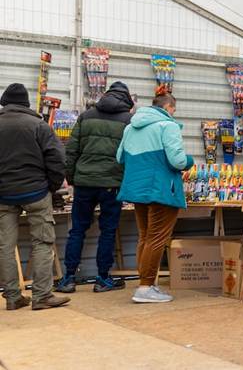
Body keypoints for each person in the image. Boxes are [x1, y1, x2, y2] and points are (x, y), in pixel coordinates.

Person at [116, 87, 193, 304]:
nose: (174, 113)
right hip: (161, 188)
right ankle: (145, 287)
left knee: (145, 236)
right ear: (168, 107)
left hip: (137, 189)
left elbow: (119, 157)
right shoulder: (167, 126)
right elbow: (177, 161)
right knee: (157, 238)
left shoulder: (130, 128)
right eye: (174, 109)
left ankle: (147, 283)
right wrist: (190, 161)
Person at [56, 82, 134, 294]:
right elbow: (131, 155)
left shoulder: (87, 116)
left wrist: (72, 178)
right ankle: (102, 279)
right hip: (111, 184)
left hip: (84, 182)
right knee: (107, 231)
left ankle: (68, 278)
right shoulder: (128, 120)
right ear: (127, 99)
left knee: (78, 229)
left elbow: (71, 150)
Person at [0, 83, 69, 311]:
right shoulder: (39, 125)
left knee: (5, 246)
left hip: (3, 195)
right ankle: (41, 296)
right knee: (42, 242)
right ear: (26, 104)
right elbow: (57, 159)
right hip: (36, 192)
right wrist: (51, 186)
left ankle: (12, 297)